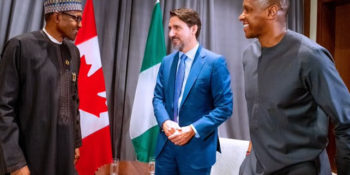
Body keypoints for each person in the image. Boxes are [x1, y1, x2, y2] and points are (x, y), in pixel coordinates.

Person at [238, 0, 350, 174]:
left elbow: (346, 120)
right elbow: (260, 111)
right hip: (256, 167)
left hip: (300, 168)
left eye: (247, 10)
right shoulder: (249, 55)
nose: (241, 16)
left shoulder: (311, 57)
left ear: (272, 11)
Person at [0, 0, 83, 174]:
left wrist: (75, 141)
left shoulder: (73, 53)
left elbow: (73, 100)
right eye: (76, 18)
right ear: (58, 16)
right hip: (30, 158)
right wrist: (15, 162)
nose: (80, 25)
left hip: (64, 156)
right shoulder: (20, 47)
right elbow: (4, 108)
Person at [153, 8, 233, 175]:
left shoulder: (214, 63)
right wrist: (165, 122)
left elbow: (225, 107)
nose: (171, 33)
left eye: (177, 28)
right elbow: (158, 98)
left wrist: (192, 130)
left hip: (197, 151)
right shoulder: (166, 62)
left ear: (193, 29)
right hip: (166, 149)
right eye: (170, 28)